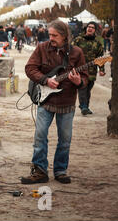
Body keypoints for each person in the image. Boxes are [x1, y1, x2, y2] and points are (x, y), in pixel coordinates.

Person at [22, 20, 88, 185]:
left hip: (67, 102)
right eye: (49, 34)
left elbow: (85, 79)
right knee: (40, 136)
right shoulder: (42, 48)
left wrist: (78, 81)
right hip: (45, 100)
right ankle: (39, 170)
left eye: (54, 35)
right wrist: (45, 80)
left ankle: (60, 170)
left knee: (65, 139)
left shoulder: (77, 53)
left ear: (65, 36)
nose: (50, 38)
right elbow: (30, 68)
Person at [71, 21, 105, 115]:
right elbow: (71, 53)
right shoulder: (78, 40)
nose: (90, 28)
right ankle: (83, 106)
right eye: (88, 27)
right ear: (86, 28)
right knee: (82, 87)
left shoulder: (97, 43)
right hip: (80, 70)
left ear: (95, 30)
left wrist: (101, 70)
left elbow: (100, 58)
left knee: (88, 89)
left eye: (92, 27)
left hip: (92, 71)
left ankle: (86, 106)